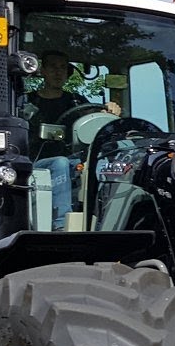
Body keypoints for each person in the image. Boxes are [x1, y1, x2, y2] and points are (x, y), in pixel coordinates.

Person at [27, 51, 119, 229]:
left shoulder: (76, 101)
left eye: (63, 68)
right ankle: (61, 225)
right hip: (35, 164)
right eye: (53, 67)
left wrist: (109, 109)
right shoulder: (27, 101)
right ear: (42, 71)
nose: (58, 72)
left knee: (102, 163)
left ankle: (102, 222)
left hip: (72, 161)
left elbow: (95, 119)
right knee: (60, 163)